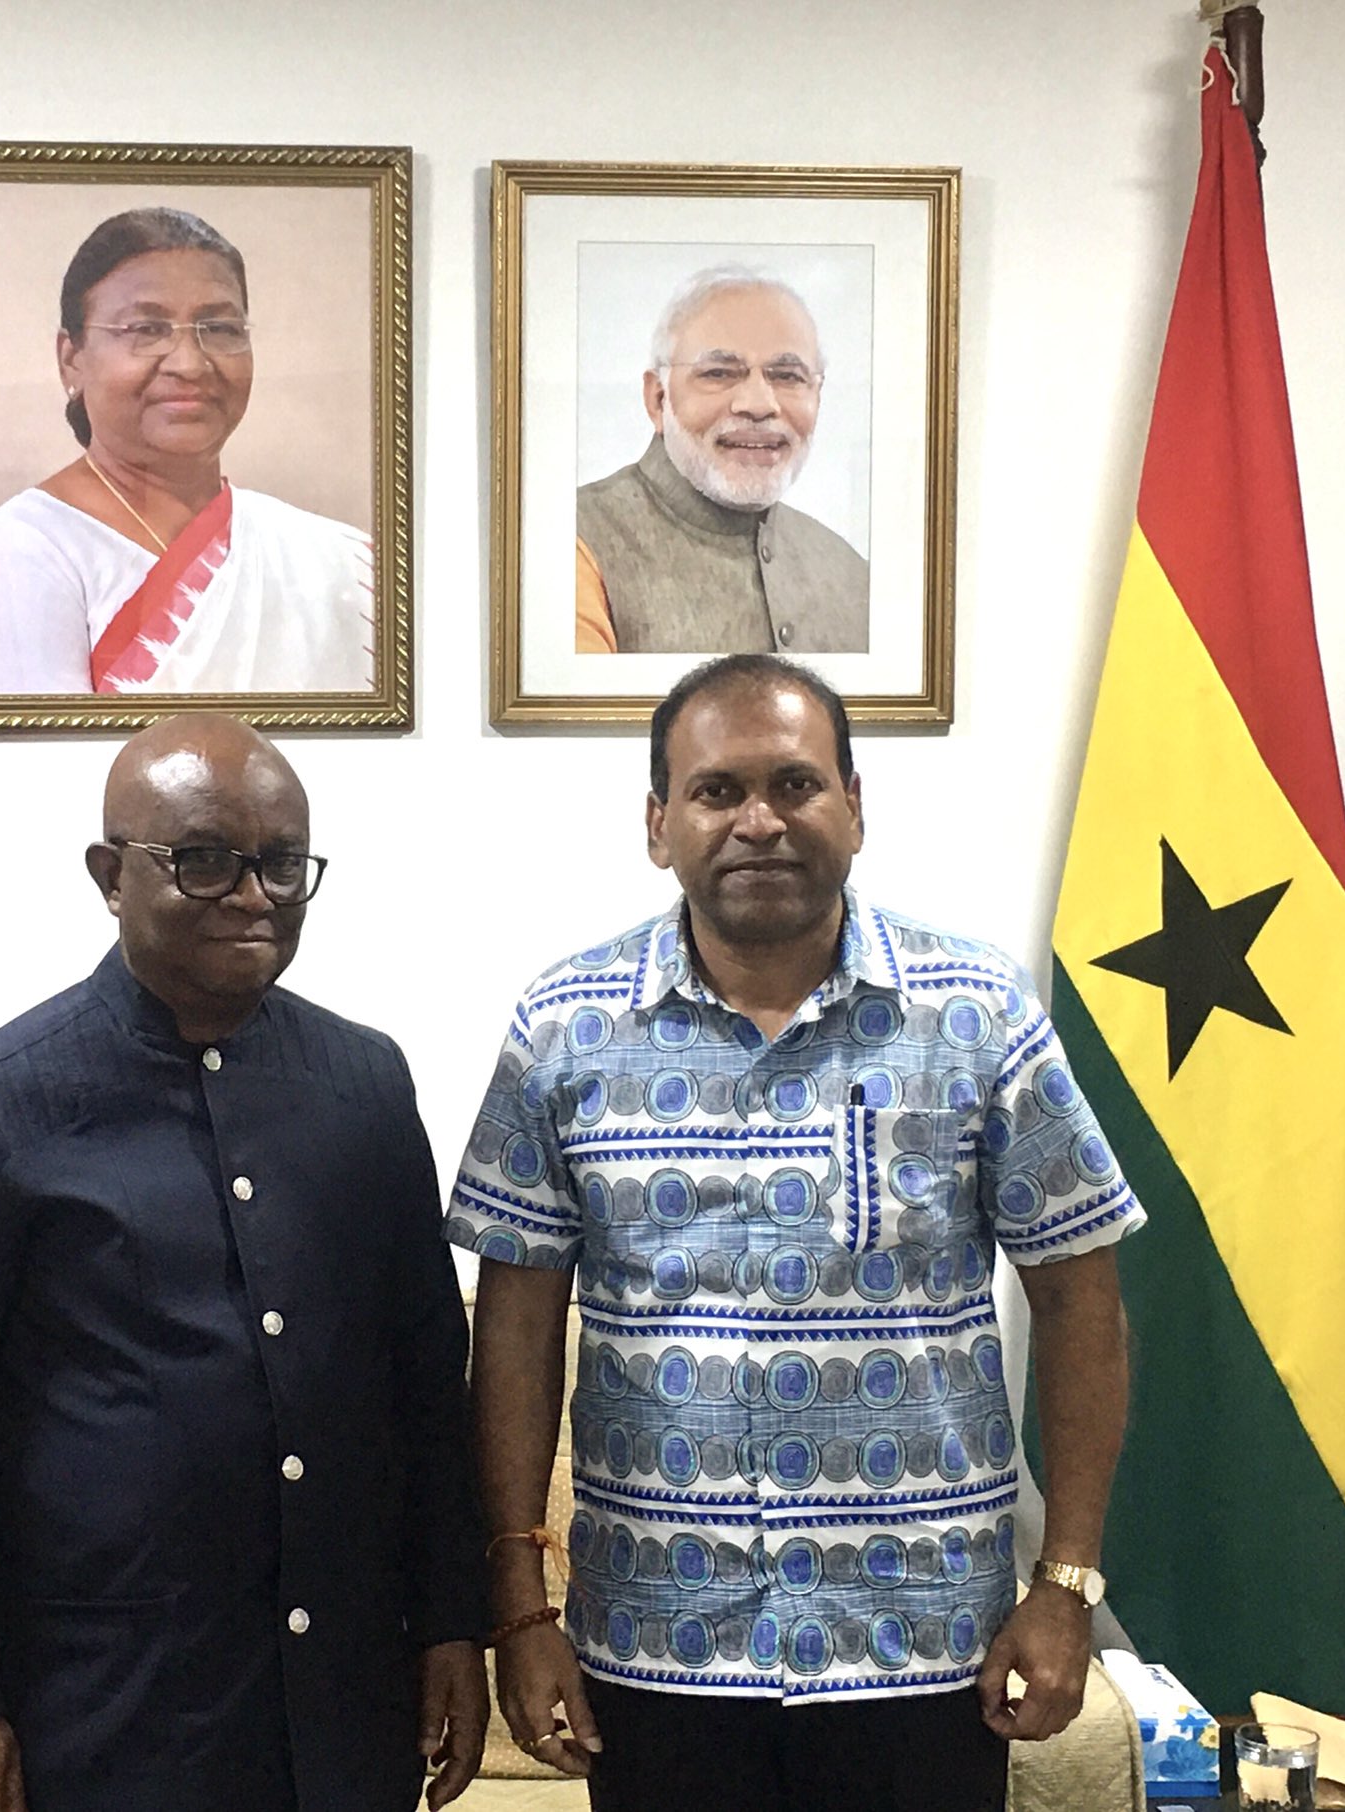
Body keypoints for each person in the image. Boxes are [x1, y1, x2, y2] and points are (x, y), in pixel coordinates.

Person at [452, 655, 1142, 1812]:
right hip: (657, 1649)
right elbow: (516, 1331)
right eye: (716, 791)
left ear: (853, 808)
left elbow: (1080, 1301)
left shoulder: (977, 1013)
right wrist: (520, 1611)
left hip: (921, 1646)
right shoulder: (561, 1027)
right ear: (657, 823)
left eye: (794, 784)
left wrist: (1064, 1581)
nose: (758, 821)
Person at [0, 715, 487, 1812]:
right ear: (110, 877)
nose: (251, 895)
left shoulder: (365, 1088)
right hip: (106, 1712)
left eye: (282, 864)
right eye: (202, 861)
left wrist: (449, 1623)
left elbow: (427, 1387)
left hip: (341, 1709)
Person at [0, 207, 376, 696]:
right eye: (146, 330)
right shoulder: (32, 545)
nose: (190, 364)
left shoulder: (337, 559)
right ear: (72, 360)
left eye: (219, 329)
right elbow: (40, 746)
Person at [576, 269, 871, 657]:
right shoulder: (575, 540)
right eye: (718, 373)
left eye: (787, 376)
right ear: (658, 399)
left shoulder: (850, 572)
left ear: (818, 396)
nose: (759, 404)